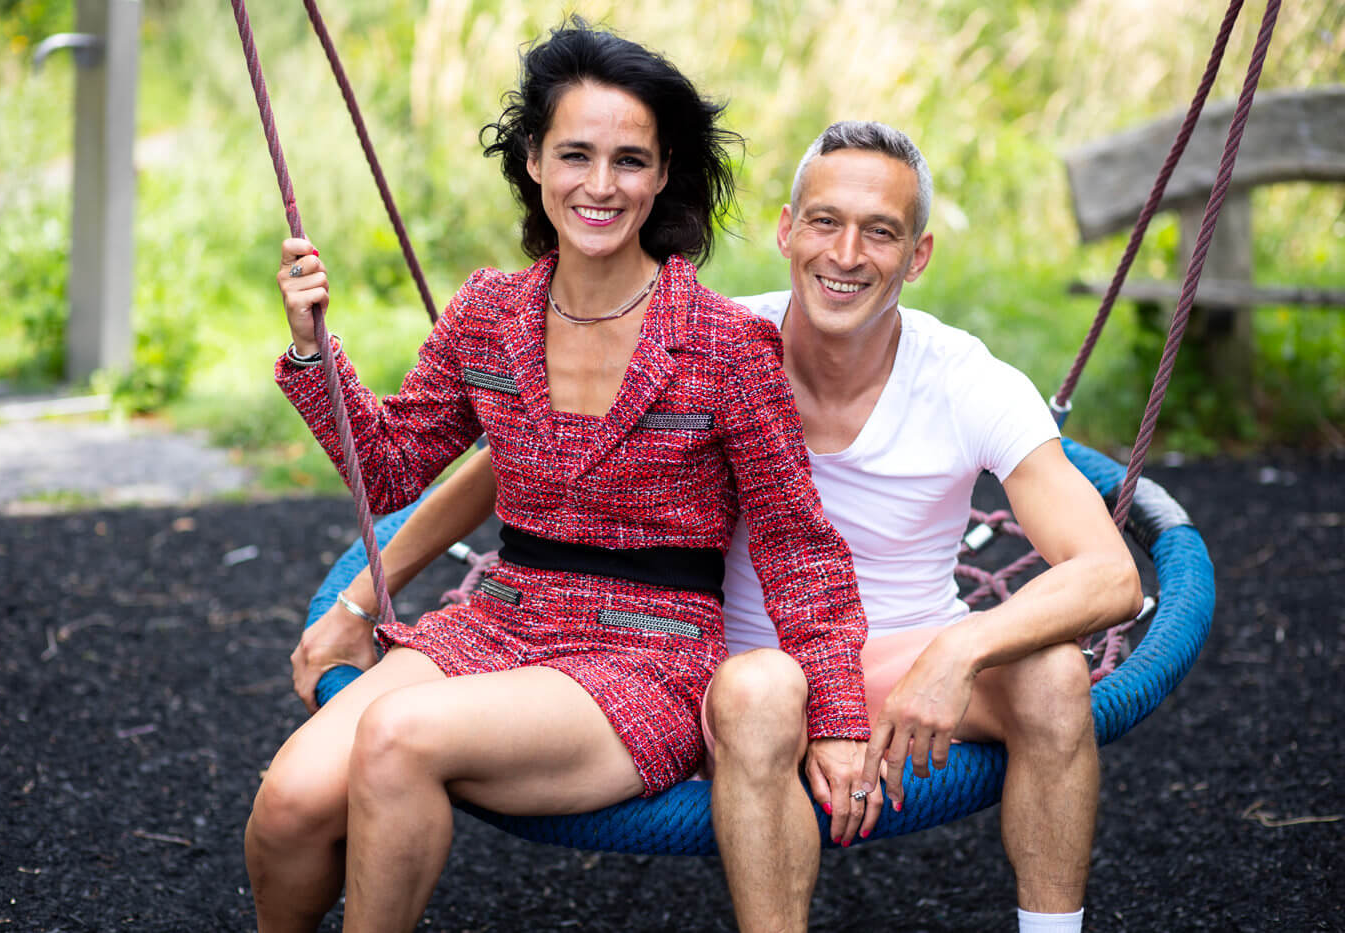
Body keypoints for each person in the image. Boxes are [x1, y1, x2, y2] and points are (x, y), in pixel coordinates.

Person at [298, 120, 1143, 933]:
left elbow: (1109, 575)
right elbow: (513, 460)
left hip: (901, 661)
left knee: (1054, 676)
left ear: (917, 254)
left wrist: (960, 651)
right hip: (726, 671)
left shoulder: (966, 380)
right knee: (761, 690)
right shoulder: (714, 336)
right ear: (786, 230)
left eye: (880, 233)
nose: (846, 256)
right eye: (825, 222)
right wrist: (366, 594)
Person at [247, 25, 874, 933]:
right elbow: (389, 469)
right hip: (501, 618)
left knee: (398, 735)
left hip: (648, 651)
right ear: (534, 161)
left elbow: (796, 545)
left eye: (630, 160)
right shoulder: (488, 314)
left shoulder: (725, 345)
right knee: (291, 803)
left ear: (662, 176)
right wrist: (314, 348)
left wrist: (843, 717)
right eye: (575, 154)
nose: (601, 184)